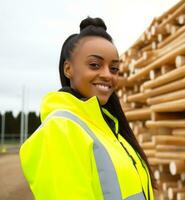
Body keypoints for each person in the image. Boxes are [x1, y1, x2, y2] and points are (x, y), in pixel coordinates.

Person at [19, 16, 155, 200]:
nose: (108, 75)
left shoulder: (109, 130)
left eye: (114, 68)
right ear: (68, 69)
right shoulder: (61, 130)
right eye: (94, 65)